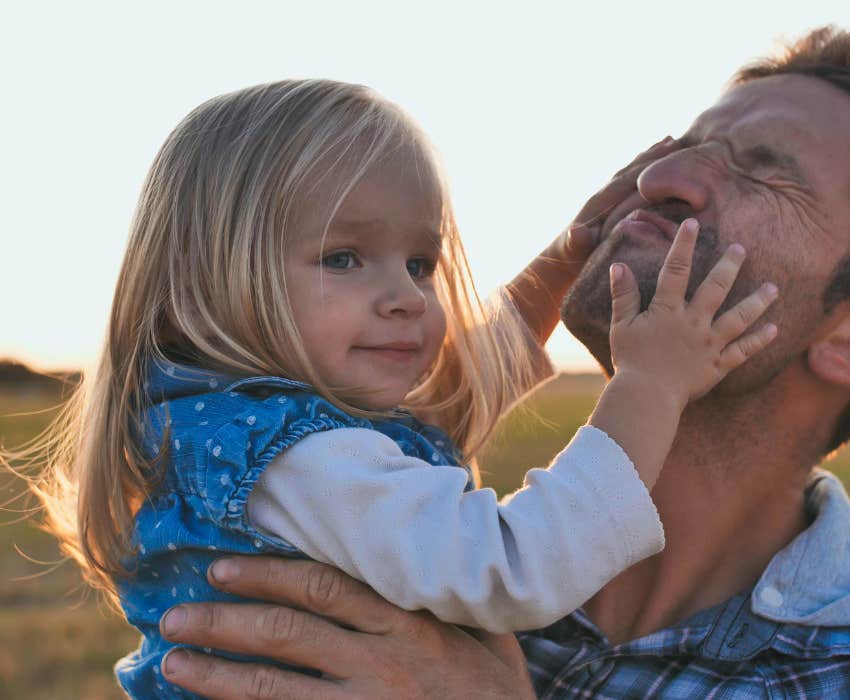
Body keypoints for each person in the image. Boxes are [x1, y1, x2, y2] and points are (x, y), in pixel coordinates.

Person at [7, 79, 777, 697]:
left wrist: (558, 268)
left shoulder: (232, 429)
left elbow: (446, 406)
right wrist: (651, 383)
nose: (407, 297)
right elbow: (513, 568)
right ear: (205, 281)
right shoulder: (304, 461)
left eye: (420, 262)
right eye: (344, 258)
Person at [154, 25, 850, 699]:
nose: (656, 175)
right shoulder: (436, 528)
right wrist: (563, 269)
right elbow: (446, 407)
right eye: (688, 146)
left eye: (763, 172)